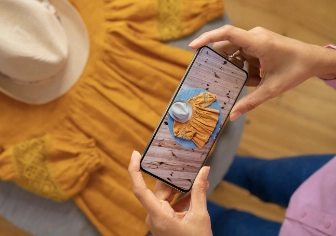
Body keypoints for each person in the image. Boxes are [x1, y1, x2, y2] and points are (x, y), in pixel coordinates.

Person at [128, 25, 336, 236]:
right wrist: (323, 61)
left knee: (221, 222)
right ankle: (216, 173)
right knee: (258, 174)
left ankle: (208, 196)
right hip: (327, 180)